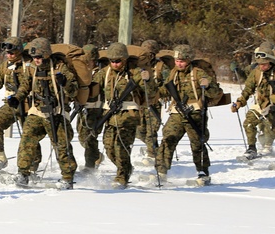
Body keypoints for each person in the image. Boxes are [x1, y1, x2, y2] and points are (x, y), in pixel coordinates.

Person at [11, 37, 78, 189]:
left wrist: (64, 83)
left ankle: (67, 177)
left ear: (47, 54)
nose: (37, 60)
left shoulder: (60, 68)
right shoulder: (32, 68)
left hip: (56, 113)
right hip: (37, 112)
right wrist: (17, 98)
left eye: (39, 57)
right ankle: (23, 173)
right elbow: (25, 86)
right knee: (27, 141)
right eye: (34, 57)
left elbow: (74, 91)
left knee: (61, 144)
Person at [155, 44, 223, 185]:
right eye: (177, 60)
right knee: (168, 137)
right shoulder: (173, 73)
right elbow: (164, 90)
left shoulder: (198, 73)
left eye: (182, 61)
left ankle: (203, 172)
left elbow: (215, 93)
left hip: (195, 112)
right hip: (178, 112)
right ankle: (161, 171)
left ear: (188, 60)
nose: (179, 63)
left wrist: (208, 86)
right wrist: (151, 90)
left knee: (197, 143)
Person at [92, 42, 157, 188]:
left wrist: (147, 80)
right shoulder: (105, 73)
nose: (115, 64)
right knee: (109, 147)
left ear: (125, 59)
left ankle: (122, 177)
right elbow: (93, 88)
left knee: (121, 146)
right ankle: (126, 168)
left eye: (118, 61)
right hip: (110, 114)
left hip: (129, 114)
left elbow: (150, 93)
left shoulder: (135, 72)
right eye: (112, 61)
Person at [231, 41, 275, 169]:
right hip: (259, 104)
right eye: (260, 64)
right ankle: (251, 149)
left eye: (264, 64)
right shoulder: (256, 72)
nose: (262, 66)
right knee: (248, 123)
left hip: (274, 105)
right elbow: (248, 89)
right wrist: (240, 102)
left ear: (271, 62)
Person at [0, 36, 29, 172]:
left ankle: (31, 165)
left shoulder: (29, 65)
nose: (9, 55)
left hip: (28, 105)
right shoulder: (5, 65)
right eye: (7, 53)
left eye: (12, 53)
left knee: (29, 136)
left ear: (19, 51)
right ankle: (0, 157)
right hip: (11, 104)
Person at [135, 39, 168, 165]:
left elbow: (168, 84)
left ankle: (152, 155)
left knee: (151, 130)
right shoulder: (138, 66)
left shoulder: (161, 67)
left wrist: (158, 93)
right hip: (140, 102)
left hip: (154, 103)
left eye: (149, 53)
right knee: (139, 131)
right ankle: (155, 149)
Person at [76, 43, 104, 172]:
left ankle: (90, 166)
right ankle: (96, 156)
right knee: (82, 136)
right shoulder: (81, 71)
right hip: (83, 109)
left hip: (97, 109)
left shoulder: (101, 73)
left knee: (90, 137)